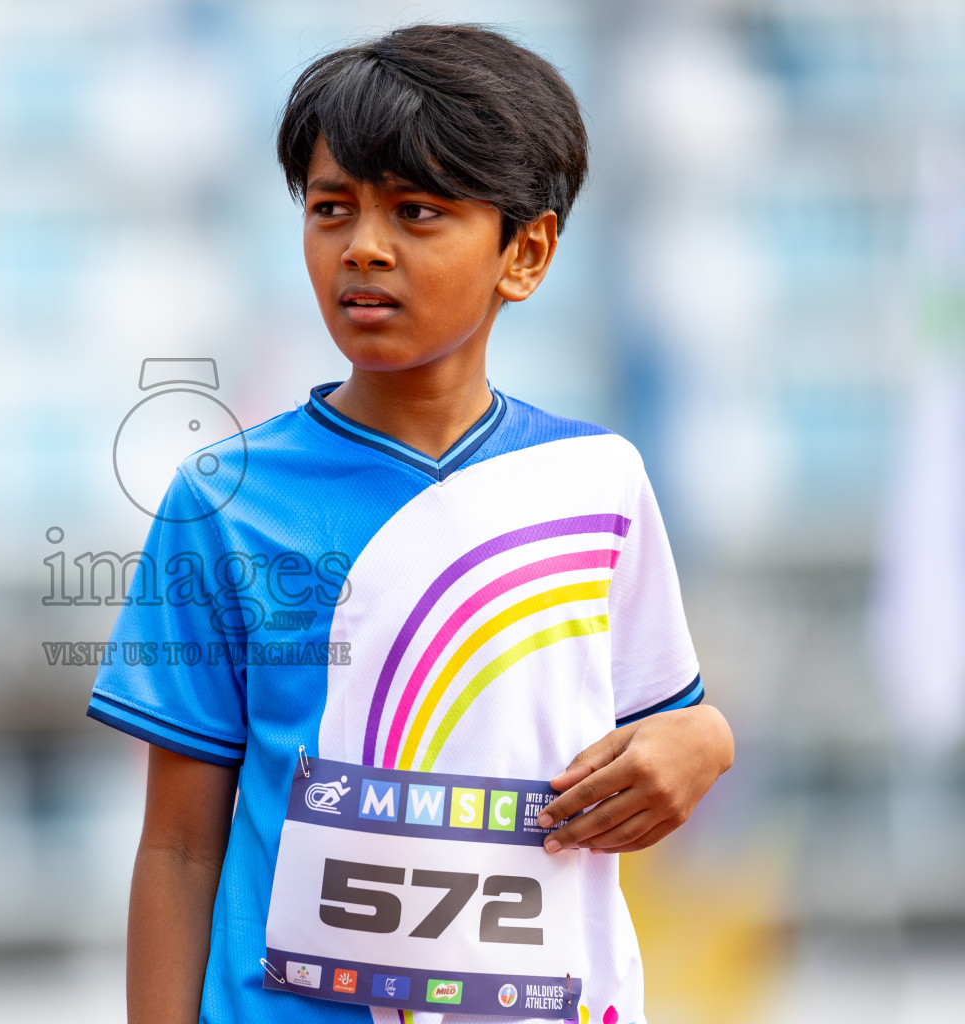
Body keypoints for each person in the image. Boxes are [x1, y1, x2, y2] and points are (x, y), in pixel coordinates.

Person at [86, 24, 734, 1024]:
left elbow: (667, 726)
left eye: (418, 211)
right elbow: (176, 842)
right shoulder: (221, 499)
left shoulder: (598, 484)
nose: (364, 246)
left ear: (525, 253)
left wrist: (706, 740)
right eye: (330, 208)